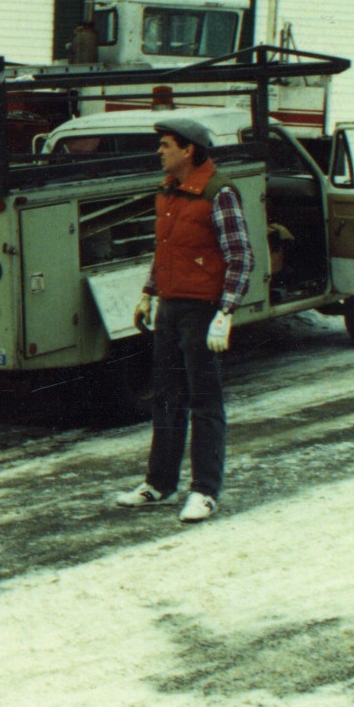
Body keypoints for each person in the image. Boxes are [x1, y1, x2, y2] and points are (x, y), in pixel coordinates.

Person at [116, 117, 253, 523]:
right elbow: (166, 251)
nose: (159, 151)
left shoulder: (218, 193)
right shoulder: (168, 192)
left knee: (205, 401)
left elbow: (241, 256)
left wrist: (225, 311)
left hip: (203, 309)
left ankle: (205, 492)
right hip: (172, 307)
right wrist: (147, 291)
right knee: (166, 396)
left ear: (189, 149)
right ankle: (159, 484)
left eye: (166, 145)